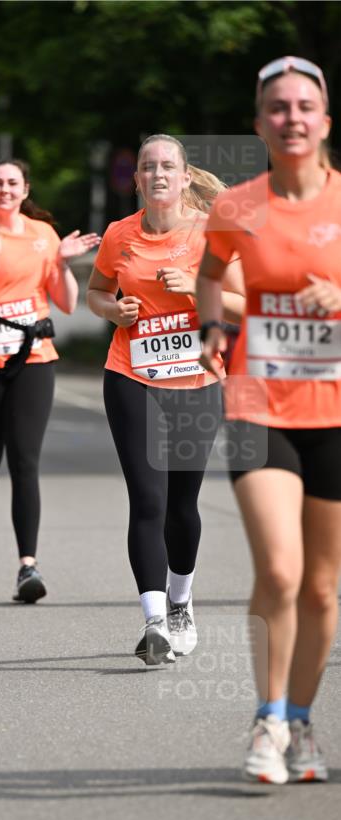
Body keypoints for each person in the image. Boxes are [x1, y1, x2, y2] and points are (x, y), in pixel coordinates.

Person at [197, 56, 341, 783]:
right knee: (278, 570)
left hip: (334, 409)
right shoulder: (237, 207)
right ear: (259, 124)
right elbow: (208, 272)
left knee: (320, 585)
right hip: (257, 401)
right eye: (277, 108)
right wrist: (210, 325)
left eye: (303, 106)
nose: (291, 118)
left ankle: (302, 722)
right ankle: (267, 714)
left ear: (323, 120)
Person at [87, 135, 245, 664]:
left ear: (183, 177)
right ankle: (154, 621)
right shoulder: (118, 235)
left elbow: (246, 304)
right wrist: (113, 312)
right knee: (147, 499)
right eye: (147, 167)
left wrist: (195, 288)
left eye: (167, 167)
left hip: (197, 380)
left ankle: (181, 601)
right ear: (137, 180)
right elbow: (96, 293)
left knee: (182, 505)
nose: (157, 175)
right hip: (132, 374)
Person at [0, 158, 100, 601]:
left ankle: (27, 567)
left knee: (25, 460)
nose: (5, 189)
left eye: (13, 182)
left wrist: (64, 262)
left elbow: (67, 303)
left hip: (33, 355)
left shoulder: (43, 234)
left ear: (25, 188)